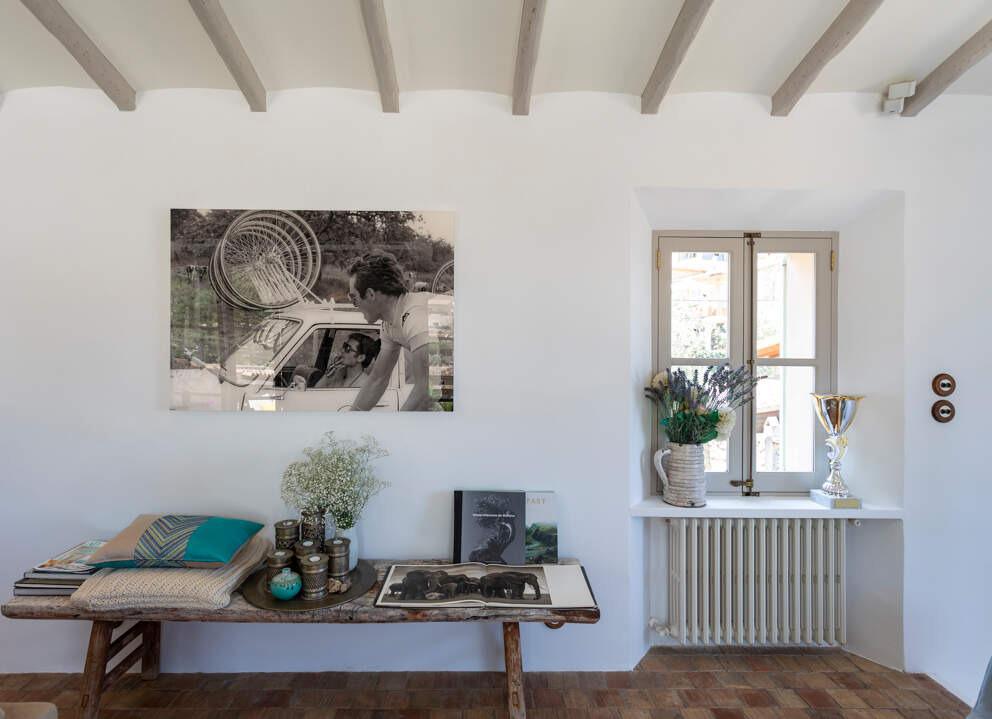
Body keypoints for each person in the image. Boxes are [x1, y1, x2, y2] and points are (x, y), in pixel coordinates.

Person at [346, 250, 438, 411]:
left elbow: (428, 389)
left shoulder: (415, 317)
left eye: (354, 298)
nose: (354, 305)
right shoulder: (390, 323)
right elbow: (378, 380)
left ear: (370, 294)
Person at [314, 333, 379, 389]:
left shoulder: (365, 384)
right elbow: (315, 392)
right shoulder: (337, 373)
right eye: (344, 346)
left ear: (360, 358)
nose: (342, 350)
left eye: (348, 348)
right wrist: (328, 373)